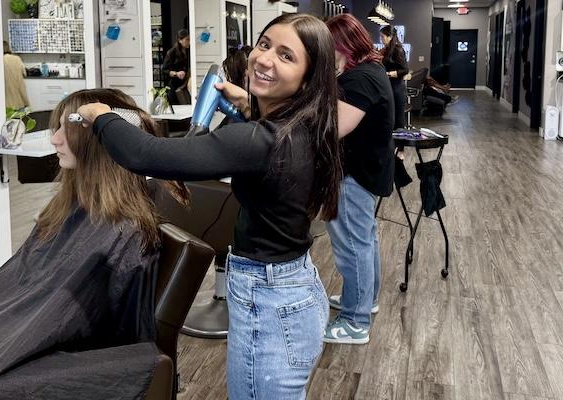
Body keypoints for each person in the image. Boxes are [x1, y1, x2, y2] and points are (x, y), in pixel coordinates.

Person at [77, 13, 341, 399]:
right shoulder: (307, 126)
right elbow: (265, 142)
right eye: (264, 44)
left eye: (286, 56)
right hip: (295, 290)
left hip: (270, 306)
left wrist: (101, 115)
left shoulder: (258, 142)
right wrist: (249, 103)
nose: (264, 58)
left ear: (309, 77)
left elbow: (145, 154)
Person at [0, 88, 189, 399]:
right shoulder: (69, 210)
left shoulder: (123, 235)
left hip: (47, 349)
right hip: (12, 330)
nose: (54, 139)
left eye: (66, 130)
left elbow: (97, 328)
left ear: (99, 141)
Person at [323, 14, 395, 345]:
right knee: (363, 241)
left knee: (352, 245)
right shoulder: (368, 70)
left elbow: (333, 130)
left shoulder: (360, 80)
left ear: (341, 45)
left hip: (355, 174)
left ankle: (355, 320)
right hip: (367, 170)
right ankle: (363, 299)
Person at [380, 25, 408, 129]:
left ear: (390, 37)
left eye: (383, 37)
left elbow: (405, 70)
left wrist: (388, 74)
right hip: (390, 88)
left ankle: (400, 144)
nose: (381, 39)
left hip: (397, 89)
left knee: (398, 122)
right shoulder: (386, 50)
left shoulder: (398, 50)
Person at [162, 29, 190, 104]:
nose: (189, 42)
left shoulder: (190, 51)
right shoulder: (171, 53)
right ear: (180, 40)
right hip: (174, 85)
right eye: (187, 39)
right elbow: (164, 70)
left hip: (186, 84)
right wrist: (176, 73)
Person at [3, 41, 30, 110]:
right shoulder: (17, 59)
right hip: (19, 99)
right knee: (20, 119)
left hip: (5, 102)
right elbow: (24, 73)